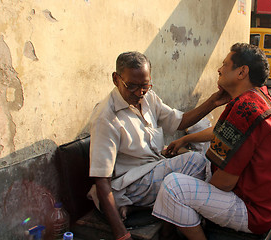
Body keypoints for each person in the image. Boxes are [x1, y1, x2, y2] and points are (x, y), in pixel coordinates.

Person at [88, 51, 231, 240]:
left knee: (200, 167)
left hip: (153, 172)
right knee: (196, 163)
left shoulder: (148, 98)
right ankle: (168, 226)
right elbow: (102, 181)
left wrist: (213, 101)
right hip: (131, 185)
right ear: (116, 79)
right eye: (131, 86)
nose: (140, 92)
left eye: (145, 85)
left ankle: (163, 219)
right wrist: (121, 235)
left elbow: (179, 121)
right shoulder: (106, 117)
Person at [152, 43, 271, 239]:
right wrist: (186, 140)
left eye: (225, 64)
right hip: (267, 202)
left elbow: (223, 183)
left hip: (253, 211)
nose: (219, 69)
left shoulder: (245, 109)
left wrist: (198, 200)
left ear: (241, 72)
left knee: (173, 187)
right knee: (197, 162)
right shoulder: (258, 97)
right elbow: (222, 131)